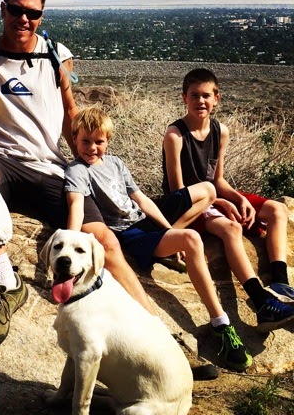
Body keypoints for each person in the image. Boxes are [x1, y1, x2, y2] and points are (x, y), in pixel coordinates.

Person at [0, 0, 217, 375]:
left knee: (103, 241)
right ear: (3, 9)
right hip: (1, 162)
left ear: (42, 16)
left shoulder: (56, 55)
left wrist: (87, 162)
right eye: (16, 9)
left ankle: (160, 337)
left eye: (33, 13)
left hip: (49, 166)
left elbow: (68, 112)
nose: (23, 18)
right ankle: (8, 286)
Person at [64, 106, 251, 371]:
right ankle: (220, 323)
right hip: (129, 234)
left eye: (99, 141)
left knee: (199, 211)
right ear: (74, 138)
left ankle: (220, 322)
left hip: (145, 222)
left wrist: (167, 230)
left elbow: (141, 199)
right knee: (192, 238)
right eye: (85, 141)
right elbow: (77, 205)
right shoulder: (77, 170)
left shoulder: (115, 163)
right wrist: (70, 245)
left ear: (108, 140)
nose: (92, 148)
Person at [162, 67, 294, 334]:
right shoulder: (175, 135)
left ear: (216, 98)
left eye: (206, 96)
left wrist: (236, 198)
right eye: (194, 95)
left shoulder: (220, 130)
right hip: (189, 203)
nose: (201, 101)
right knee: (231, 228)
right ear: (184, 97)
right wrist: (219, 204)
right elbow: (179, 191)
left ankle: (281, 284)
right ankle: (261, 301)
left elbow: (218, 179)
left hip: (213, 194)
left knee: (277, 210)